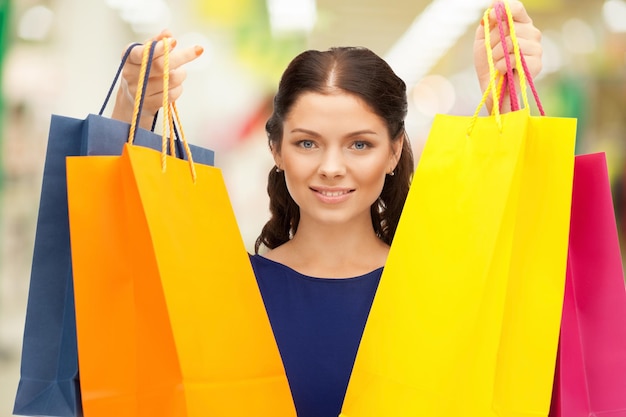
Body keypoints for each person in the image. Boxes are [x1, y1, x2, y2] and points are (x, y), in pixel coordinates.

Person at [111, 2, 543, 416]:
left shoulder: (440, 291)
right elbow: (116, 279)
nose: (332, 168)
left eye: (360, 144)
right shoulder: (225, 292)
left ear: (394, 152)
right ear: (276, 150)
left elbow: (516, 285)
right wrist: (134, 107)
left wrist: (505, 100)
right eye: (307, 143)